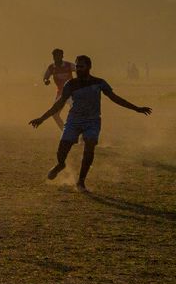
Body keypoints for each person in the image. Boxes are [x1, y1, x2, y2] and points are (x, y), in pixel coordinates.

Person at [30, 55, 152, 193]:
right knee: (63, 148)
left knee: (89, 147)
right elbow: (59, 104)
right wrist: (42, 118)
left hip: (92, 121)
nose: (78, 69)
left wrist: (136, 108)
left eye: (81, 66)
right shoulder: (71, 84)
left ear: (89, 67)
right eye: (77, 66)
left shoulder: (99, 83)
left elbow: (115, 98)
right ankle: (60, 164)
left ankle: (81, 181)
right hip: (74, 120)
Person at [42, 48, 75, 130]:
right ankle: (65, 131)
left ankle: (80, 134)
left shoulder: (68, 65)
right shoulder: (51, 67)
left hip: (71, 93)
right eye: (55, 56)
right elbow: (45, 77)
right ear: (53, 57)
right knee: (55, 114)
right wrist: (46, 81)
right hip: (60, 93)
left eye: (59, 56)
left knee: (76, 112)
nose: (57, 58)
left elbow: (80, 70)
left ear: (62, 56)